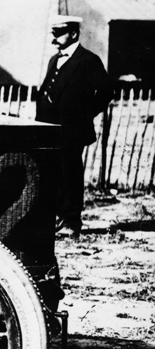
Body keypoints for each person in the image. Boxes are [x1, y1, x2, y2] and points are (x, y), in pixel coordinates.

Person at [35, 15, 112, 238]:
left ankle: (72, 221)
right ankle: (59, 217)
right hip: (50, 129)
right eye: (54, 34)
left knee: (70, 175)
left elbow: (106, 92)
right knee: (53, 174)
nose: (55, 38)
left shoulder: (88, 60)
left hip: (72, 131)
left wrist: (84, 114)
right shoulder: (54, 60)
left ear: (74, 34)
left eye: (59, 34)